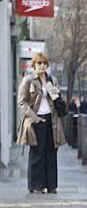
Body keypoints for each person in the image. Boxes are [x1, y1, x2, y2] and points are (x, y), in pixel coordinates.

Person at [17, 52, 66, 194]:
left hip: (52, 121)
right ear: (34, 65)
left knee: (51, 153)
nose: (42, 66)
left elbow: (57, 100)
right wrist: (34, 117)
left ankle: (51, 185)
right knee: (37, 154)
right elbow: (21, 101)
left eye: (44, 63)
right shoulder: (28, 80)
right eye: (39, 63)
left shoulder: (52, 80)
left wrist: (57, 93)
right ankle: (36, 185)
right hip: (36, 121)